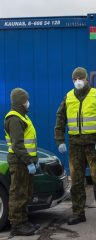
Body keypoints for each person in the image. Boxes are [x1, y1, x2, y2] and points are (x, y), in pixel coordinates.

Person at [54, 67, 96, 225]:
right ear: (72, 80)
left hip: (94, 145)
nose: (78, 81)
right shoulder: (68, 97)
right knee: (77, 182)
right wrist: (60, 140)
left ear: (86, 79)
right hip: (75, 146)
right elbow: (60, 119)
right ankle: (78, 213)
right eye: (75, 79)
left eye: (81, 78)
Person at [4, 88, 40, 236]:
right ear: (20, 102)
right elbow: (18, 145)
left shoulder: (22, 116)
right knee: (18, 194)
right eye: (26, 100)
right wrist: (29, 162)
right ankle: (17, 225)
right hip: (19, 162)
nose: (28, 103)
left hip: (24, 162)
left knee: (25, 193)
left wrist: (33, 160)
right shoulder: (14, 119)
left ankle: (24, 221)